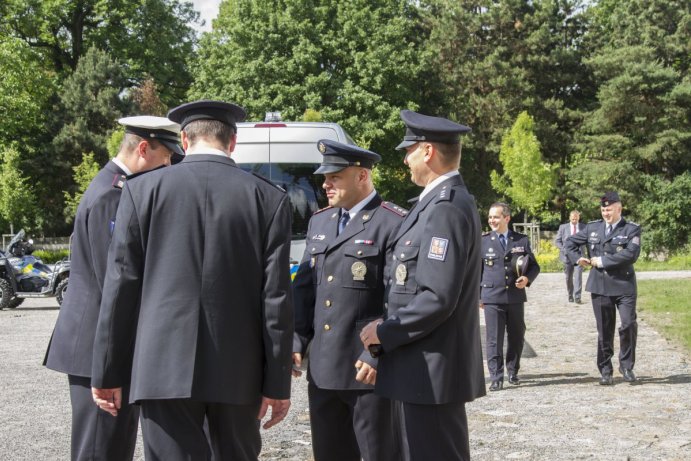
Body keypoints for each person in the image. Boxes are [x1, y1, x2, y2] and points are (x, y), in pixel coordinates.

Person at [90, 100, 294, 460]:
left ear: (184, 140)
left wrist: (107, 372)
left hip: (161, 368)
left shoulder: (141, 190)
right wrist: (277, 383)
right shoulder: (268, 198)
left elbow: (120, 287)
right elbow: (275, 299)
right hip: (239, 373)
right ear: (233, 142)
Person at [43, 115, 182, 460]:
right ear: (144, 148)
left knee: (114, 448)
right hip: (99, 351)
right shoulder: (114, 196)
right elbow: (116, 283)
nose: (169, 166)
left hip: (104, 348)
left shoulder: (117, 187)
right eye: (166, 157)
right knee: (100, 451)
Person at [360, 110, 485, 461]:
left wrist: (385, 331)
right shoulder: (434, 203)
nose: (405, 158)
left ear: (427, 151)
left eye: (409, 150)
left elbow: (437, 296)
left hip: (431, 371)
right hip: (421, 370)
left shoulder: (445, 208)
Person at [292, 139, 404, 461]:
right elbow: (304, 287)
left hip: (365, 369)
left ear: (361, 176)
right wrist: (297, 339)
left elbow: (397, 299)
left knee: (377, 454)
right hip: (324, 370)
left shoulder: (392, 222)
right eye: (325, 177)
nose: (325, 184)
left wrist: (377, 353)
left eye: (334, 176)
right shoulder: (321, 221)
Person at [564, 191, 641, 385]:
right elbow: (569, 243)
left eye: (609, 209)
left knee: (628, 324)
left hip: (624, 286)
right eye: (603, 209)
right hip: (600, 286)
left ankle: (627, 366)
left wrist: (603, 261)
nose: (606, 213)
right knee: (604, 330)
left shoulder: (631, 229)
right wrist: (577, 259)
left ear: (619, 208)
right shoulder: (593, 228)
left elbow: (630, 255)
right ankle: (605, 369)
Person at [480, 202, 540, 391]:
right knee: (493, 338)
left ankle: (512, 371)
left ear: (507, 218)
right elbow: (474, 271)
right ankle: (496, 376)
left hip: (515, 296)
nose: (492, 220)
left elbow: (533, 266)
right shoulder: (483, 241)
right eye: (490, 217)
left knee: (516, 336)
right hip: (492, 296)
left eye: (496, 217)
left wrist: (526, 279)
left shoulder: (520, 240)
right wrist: (477, 296)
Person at [555, 210, 586, 303]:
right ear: (570, 218)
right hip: (567, 256)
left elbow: (588, 240)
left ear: (578, 218)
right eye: (573, 218)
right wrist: (564, 249)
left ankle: (577, 296)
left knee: (578, 276)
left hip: (579, 256)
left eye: (576, 218)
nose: (574, 219)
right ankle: (570, 294)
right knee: (568, 277)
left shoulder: (584, 227)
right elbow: (557, 241)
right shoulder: (563, 227)